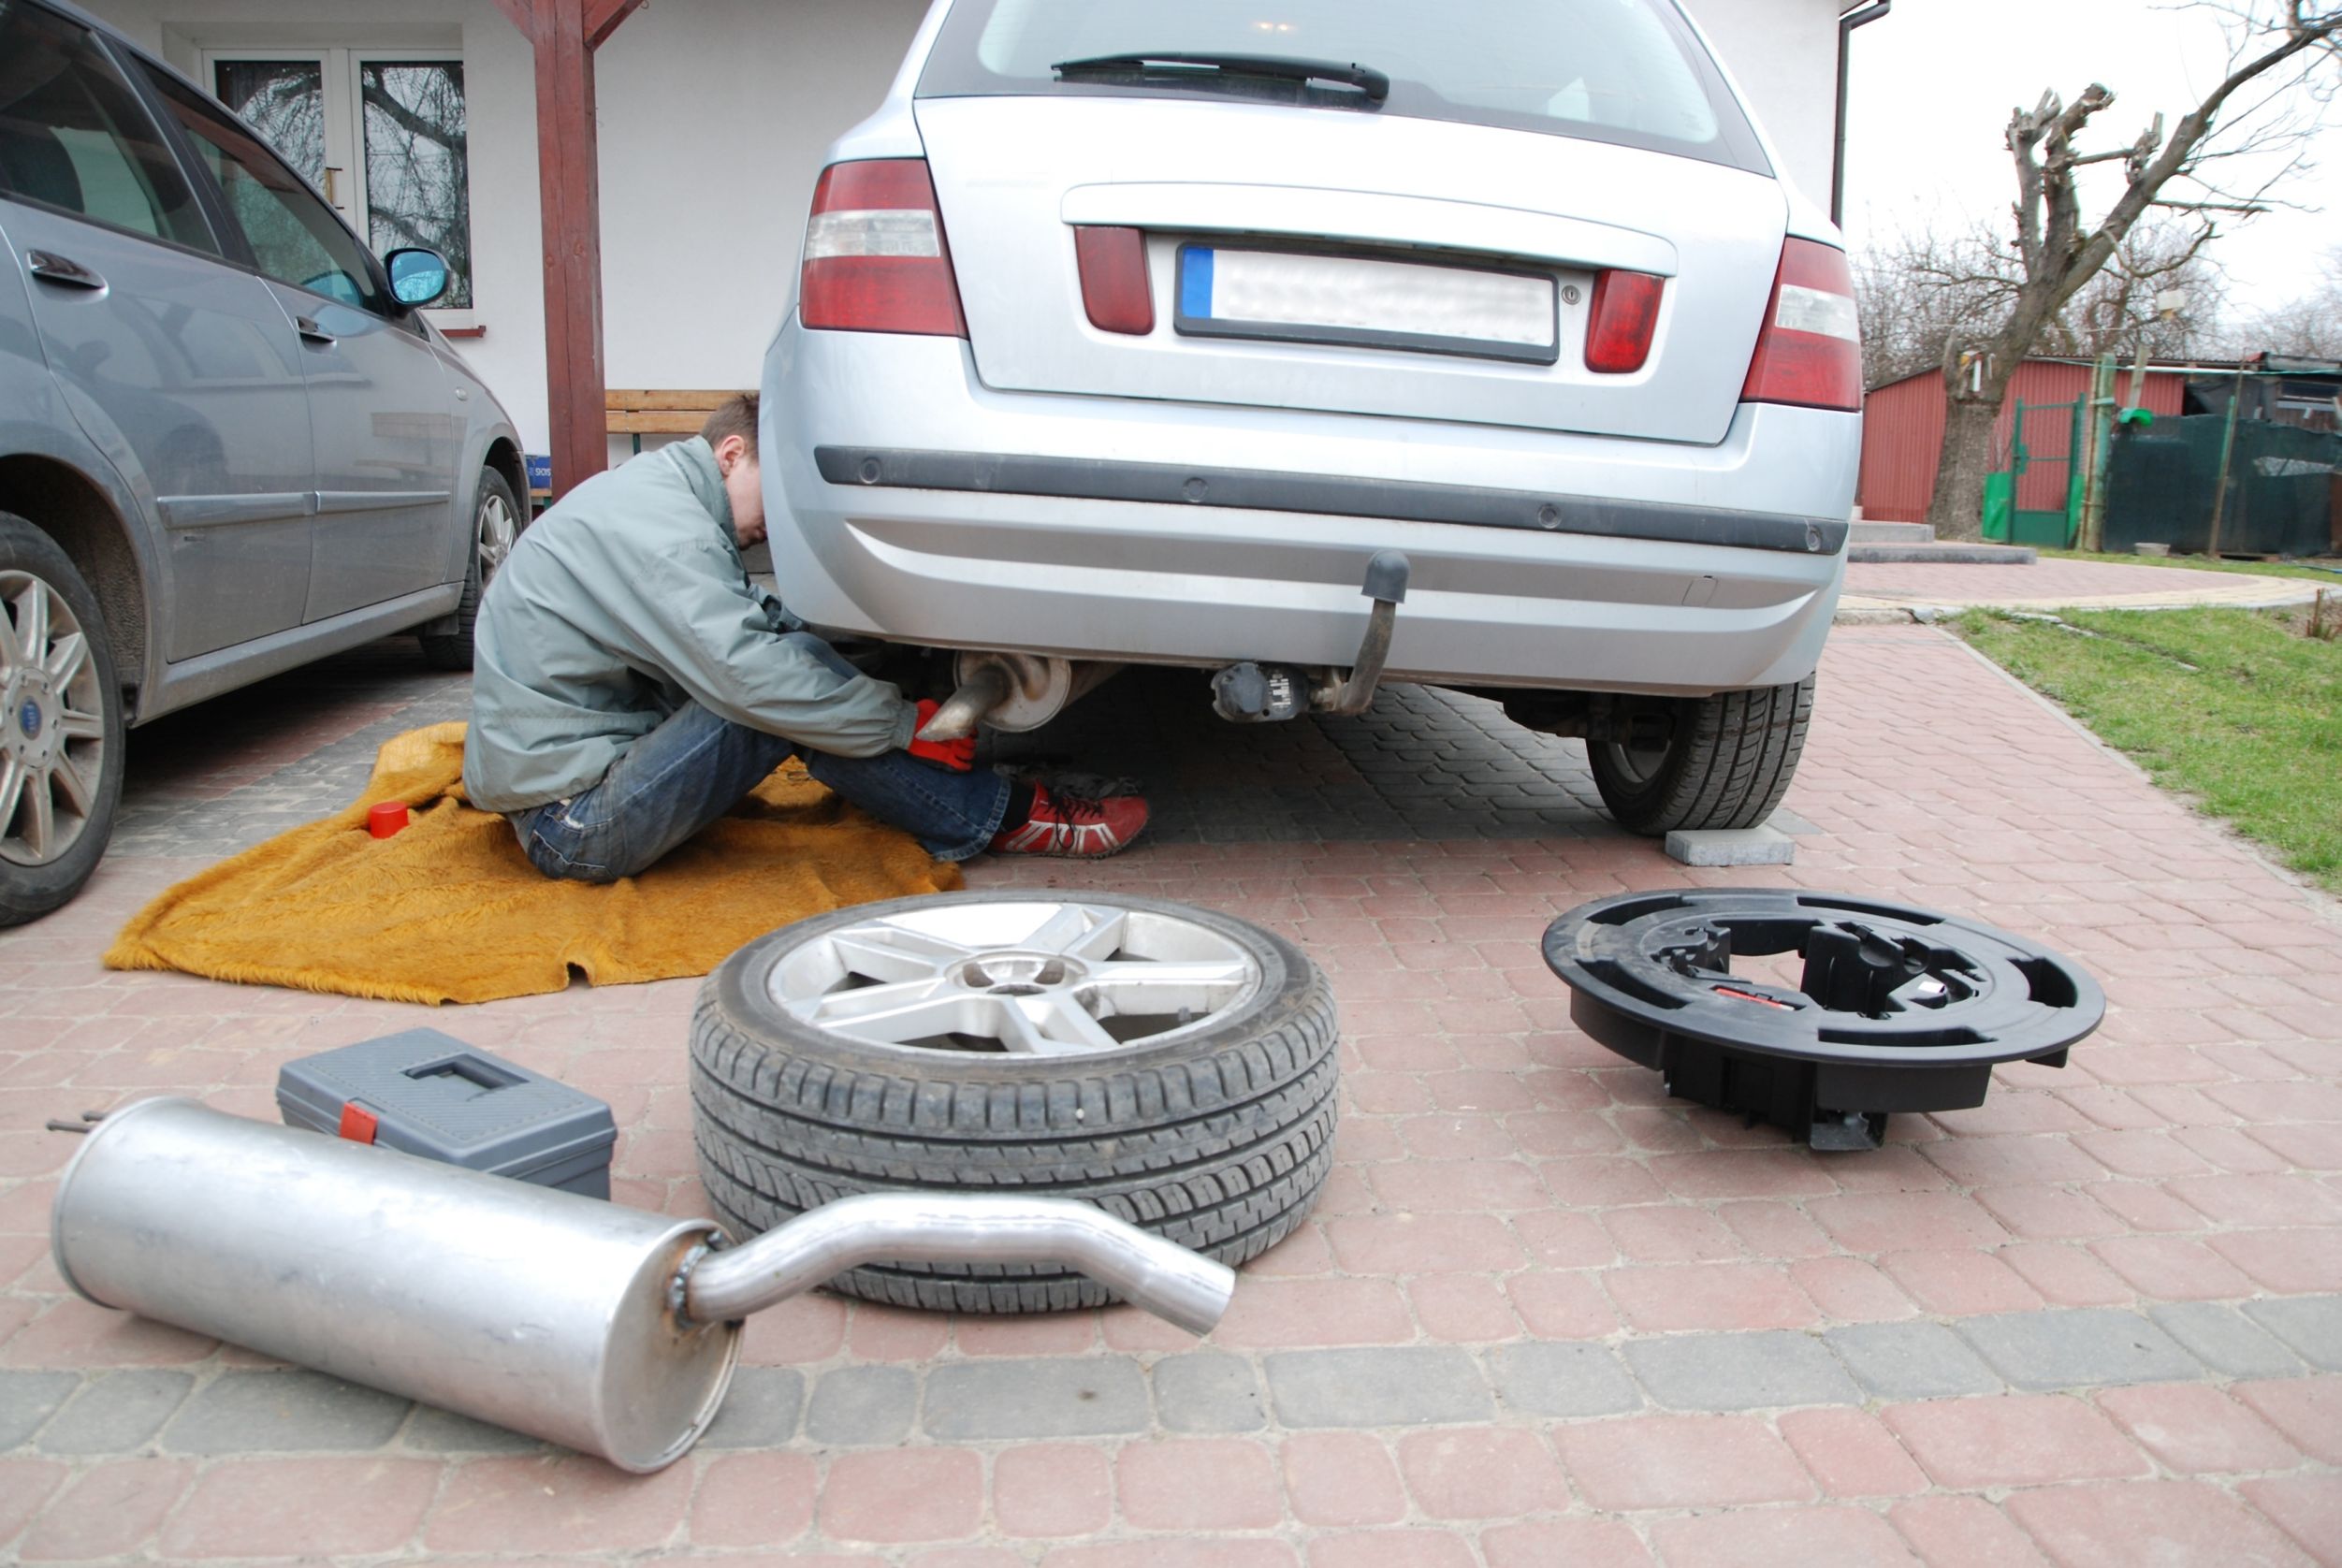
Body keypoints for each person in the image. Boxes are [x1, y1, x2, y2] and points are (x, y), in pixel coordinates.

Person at [460, 394, 1146, 882]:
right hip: (574, 826)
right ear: (732, 455)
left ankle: (967, 793)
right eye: (777, 490)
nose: (779, 520)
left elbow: (753, 621)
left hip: (579, 782)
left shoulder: (660, 502)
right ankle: (996, 818)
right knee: (768, 700)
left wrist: (851, 661)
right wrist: (900, 722)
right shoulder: (659, 533)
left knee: (793, 671)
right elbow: (752, 676)